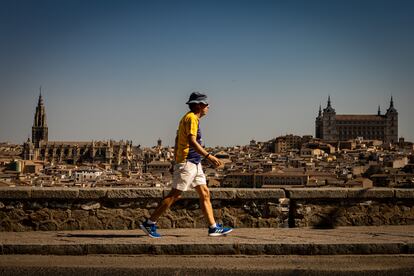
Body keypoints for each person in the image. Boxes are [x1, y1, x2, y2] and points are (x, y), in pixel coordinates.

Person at [140, 92, 233, 238]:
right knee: (175, 195)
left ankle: (213, 227)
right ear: (198, 105)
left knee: (205, 193)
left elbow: (178, 139)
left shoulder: (189, 118)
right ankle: (150, 223)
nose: (208, 107)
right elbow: (192, 141)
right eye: (206, 104)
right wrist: (209, 156)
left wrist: (174, 160)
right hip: (188, 162)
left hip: (194, 163)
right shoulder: (191, 119)